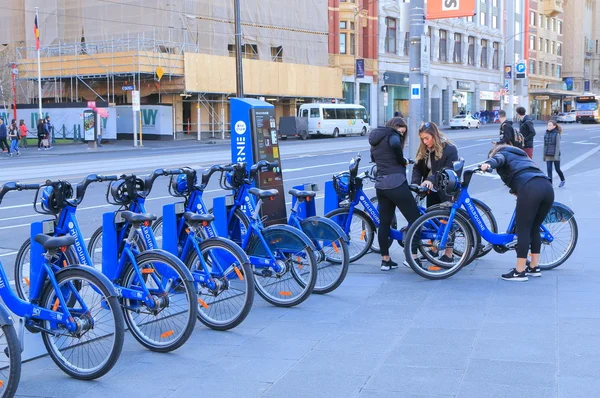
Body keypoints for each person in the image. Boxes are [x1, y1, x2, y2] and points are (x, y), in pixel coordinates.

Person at [480, 144, 554, 281]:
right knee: (534, 228)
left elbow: (498, 159)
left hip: (530, 188)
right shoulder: (521, 155)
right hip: (547, 187)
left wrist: (488, 163)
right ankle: (534, 267)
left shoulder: (502, 153)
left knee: (523, 230)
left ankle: (520, 271)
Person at [369, 117, 421, 271]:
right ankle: (413, 257)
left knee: (384, 223)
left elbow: (374, 158)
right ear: (394, 127)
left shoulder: (376, 139)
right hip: (396, 183)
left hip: (381, 186)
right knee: (416, 219)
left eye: (402, 132)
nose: (400, 133)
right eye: (400, 131)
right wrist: (402, 160)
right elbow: (395, 145)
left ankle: (385, 260)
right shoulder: (392, 135)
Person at [411, 122, 458, 263]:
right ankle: (435, 249)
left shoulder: (449, 149)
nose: (425, 142)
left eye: (427, 138)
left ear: (434, 135)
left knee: (447, 220)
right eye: (422, 139)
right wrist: (416, 183)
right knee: (433, 219)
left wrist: (431, 179)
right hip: (431, 189)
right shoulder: (425, 149)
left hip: (447, 187)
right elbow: (417, 168)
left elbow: (446, 170)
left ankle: (449, 254)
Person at [543, 120, 566, 187]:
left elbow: (557, 146)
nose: (548, 126)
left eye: (550, 125)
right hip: (548, 154)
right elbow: (545, 145)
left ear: (554, 126)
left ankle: (563, 180)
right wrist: (544, 155)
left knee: (557, 169)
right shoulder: (546, 133)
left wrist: (556, 156)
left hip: (555, 154)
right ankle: (550, 184)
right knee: (549, 169)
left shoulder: (557, 134)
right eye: (548, 125)